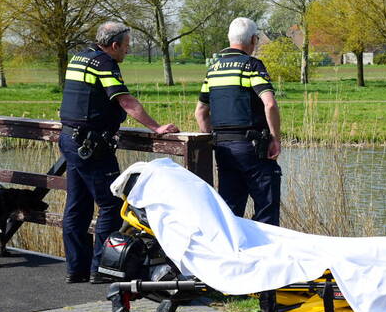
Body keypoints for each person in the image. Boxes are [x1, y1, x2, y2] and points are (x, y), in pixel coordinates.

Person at [59, 22, 179, 283]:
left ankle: (75, 269)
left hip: (70, 138)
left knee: (77, 206)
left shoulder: (80, 57)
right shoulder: (104, 63)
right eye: (126, 46)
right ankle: (101, 270)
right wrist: (156, 127)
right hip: (91, 145)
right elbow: (124, 100)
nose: (127, 51)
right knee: (111, 204)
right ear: (114, 45)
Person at [194, 17, 282, 225]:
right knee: (266, 209)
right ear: (253, 39)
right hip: (252, 148)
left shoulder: (214, 69)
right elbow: (269, 104)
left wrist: (212, 139)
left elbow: (200, 111)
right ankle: (263, 254)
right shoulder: (251, 65)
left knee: (230, 211)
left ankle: (232, 253)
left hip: (224, 149)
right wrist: (275, 138)